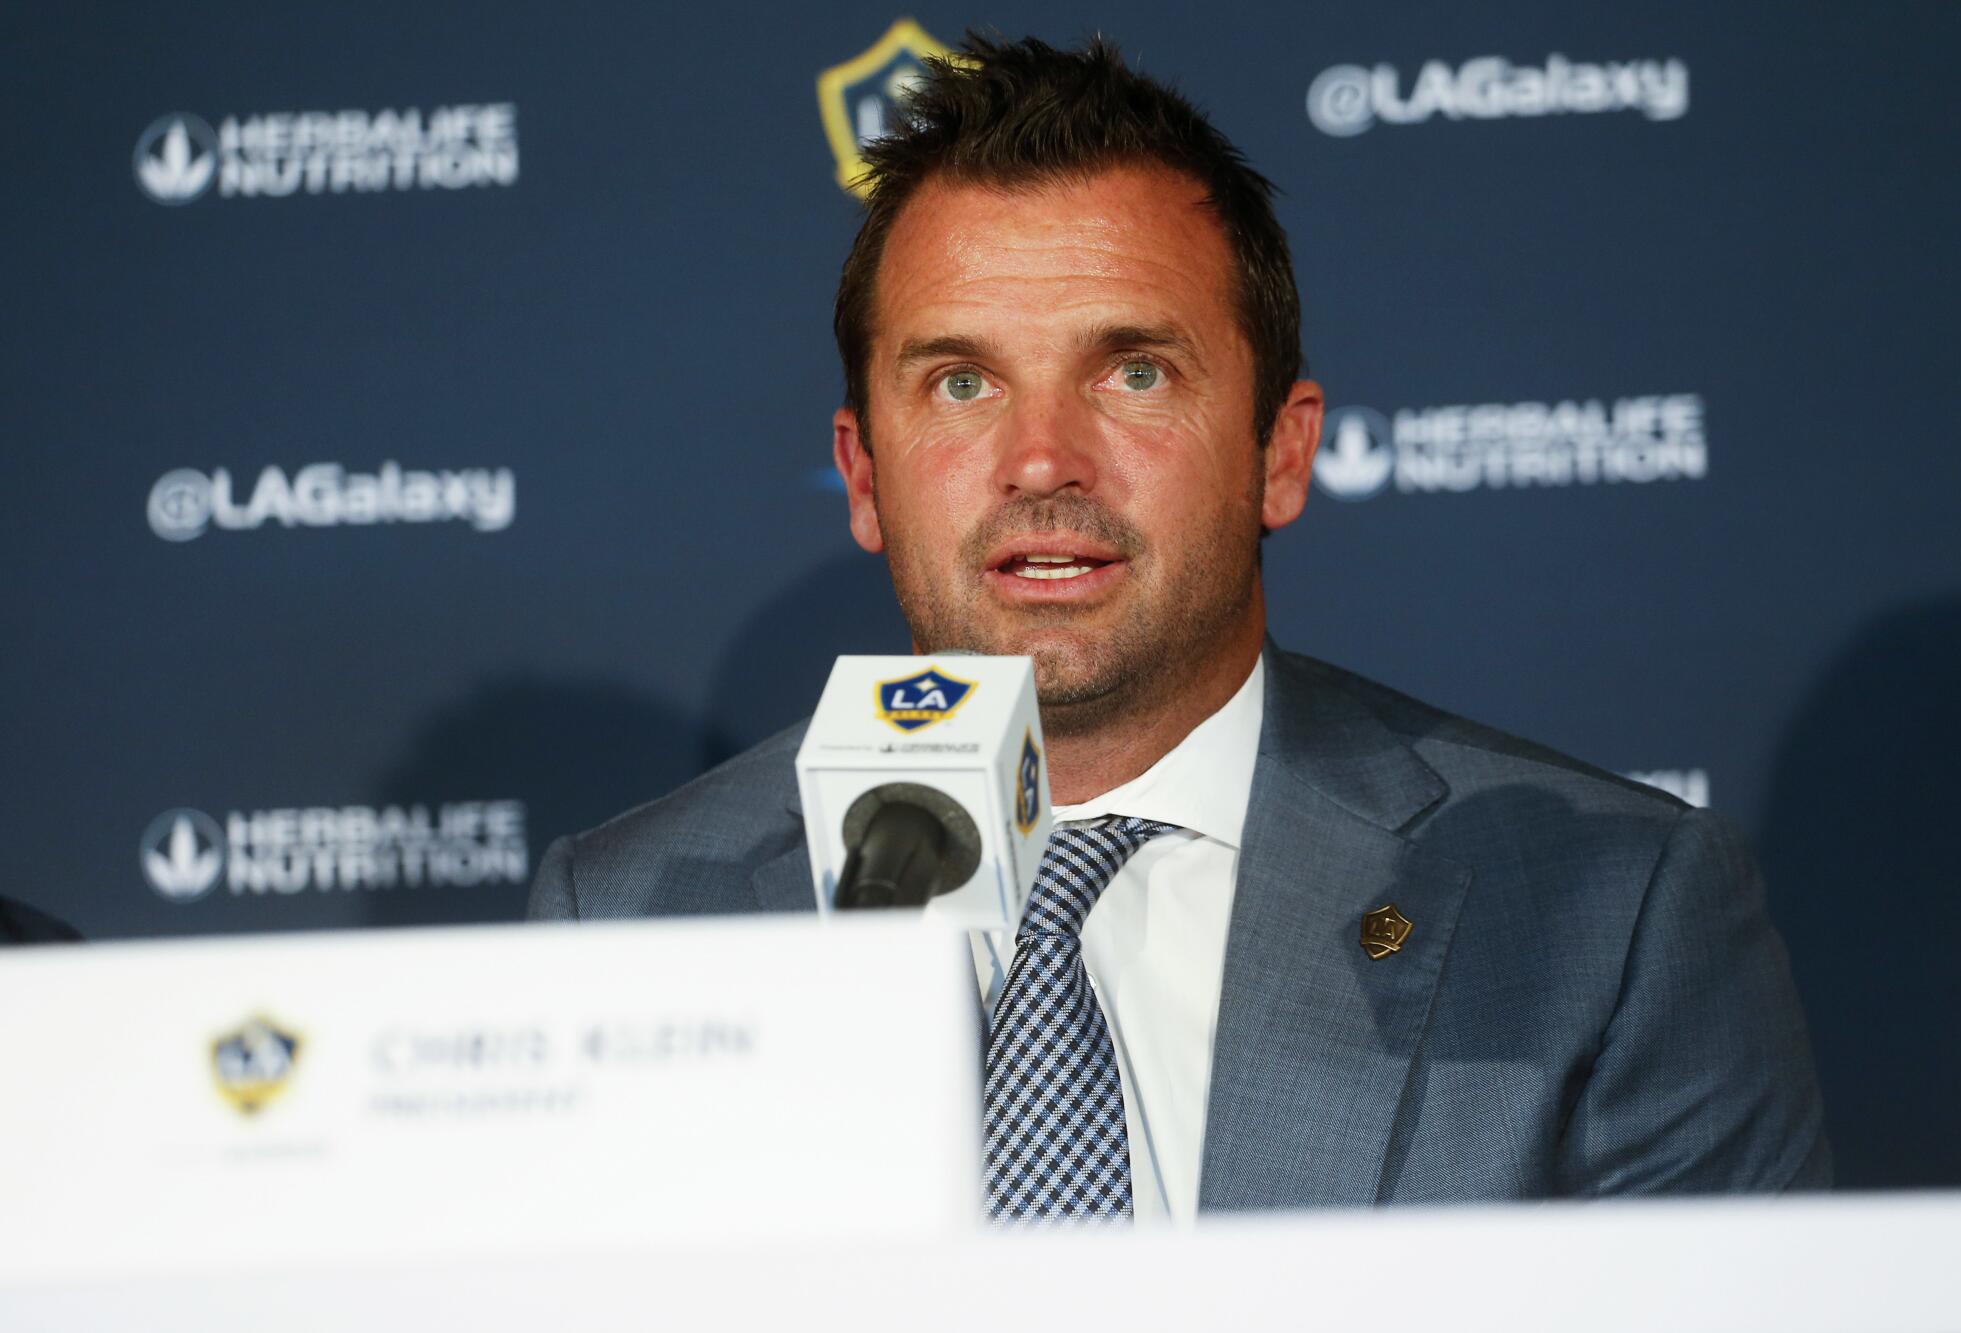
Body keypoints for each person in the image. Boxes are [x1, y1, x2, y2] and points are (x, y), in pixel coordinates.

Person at [528, 34, 1830, 1218]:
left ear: (1280, 450)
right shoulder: (631, 925)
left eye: (1134, 371)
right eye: (963, 380)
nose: (1042, 459)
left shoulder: (1614, 924)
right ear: (865, 476)